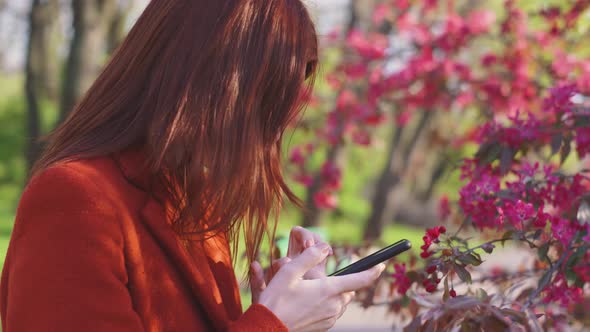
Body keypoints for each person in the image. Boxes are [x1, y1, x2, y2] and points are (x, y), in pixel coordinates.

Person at [0, 1, 386, 331]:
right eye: (267, 105)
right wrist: (274, 322)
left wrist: (280, 309)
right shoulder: (76, 200)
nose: (276, 128)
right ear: (212, 85)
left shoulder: (193, 205)